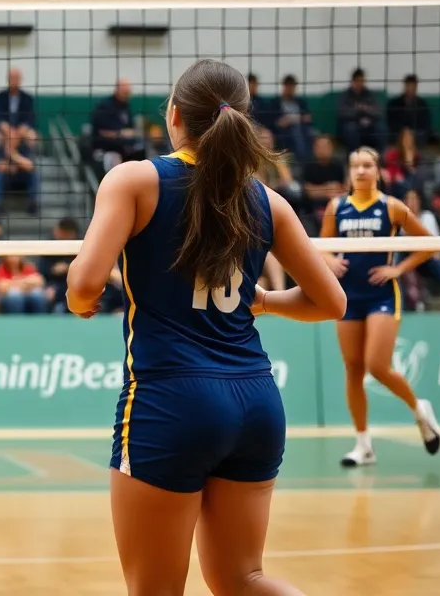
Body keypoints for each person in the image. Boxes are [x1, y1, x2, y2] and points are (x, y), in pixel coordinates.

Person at [65, 58, 346, 596]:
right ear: (239, 120)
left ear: (174, 116)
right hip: (256, 401)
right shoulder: (268, 201)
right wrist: (260, 300)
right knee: (244, 579)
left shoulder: (134, 180)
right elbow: (330, 302)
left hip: (171, 401)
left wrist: (82, 300)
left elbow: (83, 285)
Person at [320, 146, 440, 468]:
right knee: (353, 369)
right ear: (349, 172)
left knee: (376, 365)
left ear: (378, 171)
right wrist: (330, 260)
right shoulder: (337, 206)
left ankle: (420, 409)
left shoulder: (392, 208)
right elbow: (321, 248)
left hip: (381, 296)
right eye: (355, 166)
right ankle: (364, 445)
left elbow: (429, 243)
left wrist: (399, 269)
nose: (360, 171)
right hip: (346, 297)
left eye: (367, 165)